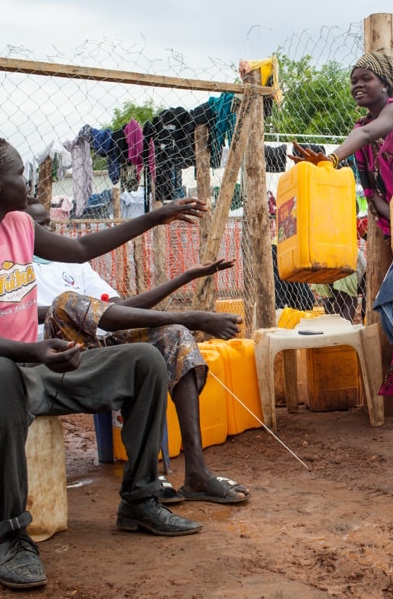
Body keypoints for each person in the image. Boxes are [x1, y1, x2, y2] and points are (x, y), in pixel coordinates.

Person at [0, 136, 204, 590]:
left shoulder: (19, 226)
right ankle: (12, 535)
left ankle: (140, 499)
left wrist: (156, 216)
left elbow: (82, 250)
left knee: (143, 360)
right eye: (20, 172)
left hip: (35, 374)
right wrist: (32, 351)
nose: (28, 180)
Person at [24, 201, 251, 506]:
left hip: (96, 349)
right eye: (37, 226)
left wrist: (184, 278)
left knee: (175, 336)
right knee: (67, 303)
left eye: (48, 223)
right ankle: (188, 318)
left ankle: (197, 473)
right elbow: (58, 311)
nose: (47, 231)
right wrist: (188, 315)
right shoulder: (13, 267)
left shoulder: (74, 265)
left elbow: (119, 311)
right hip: (53, 358)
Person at [290, 52, 393, 438]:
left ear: (386, 84)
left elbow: (367, 135)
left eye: (366, 79)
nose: (358, 86)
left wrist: (329, 158)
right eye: (354, 81)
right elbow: (372, 192)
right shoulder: (361, 130)